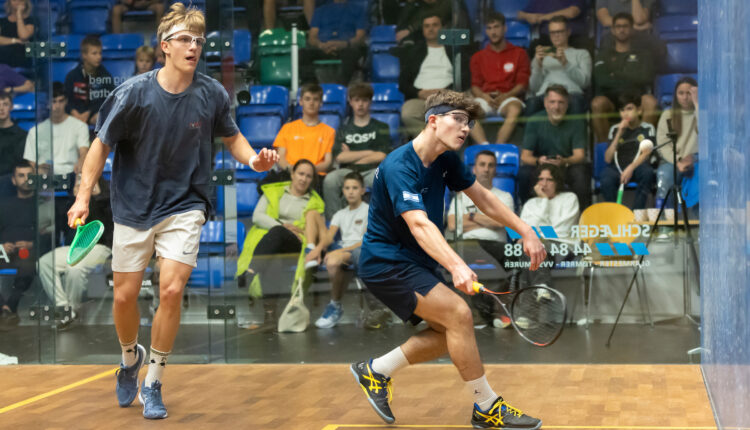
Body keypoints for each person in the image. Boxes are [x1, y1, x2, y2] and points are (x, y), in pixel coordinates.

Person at [66, 3, 278, 420]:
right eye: (185, 39)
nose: (194, 46)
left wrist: (253, 160)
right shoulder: (132, 94)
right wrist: (82, 196)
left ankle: (155, 379)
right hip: (134, 207)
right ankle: (130, 359)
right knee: (125, 295)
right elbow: (100, 147)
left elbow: (232, 138)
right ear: (165, 46)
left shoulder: (212, 93)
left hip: (186, 205)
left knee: (171, 289)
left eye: (199, 40)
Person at [351, 89, 546, 428]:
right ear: (433, 120)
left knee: (451, 334)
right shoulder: (400, 165)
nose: (465, 128)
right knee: (458, 314)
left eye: (468, 122)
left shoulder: (445, 160)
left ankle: (375, 370)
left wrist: (525, 230)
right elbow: (419, 223)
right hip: (386, 263)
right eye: (457, 119)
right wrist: (457, 264)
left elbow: (482, 197)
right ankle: (486, 407)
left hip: (413, 262)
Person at [235, 160, 325, 325]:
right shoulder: (273, 192)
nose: (303, 179)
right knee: (273, 259)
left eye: (308, 176)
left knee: (278, 231)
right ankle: (270, 313)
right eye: (300, 174)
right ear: (292, 174)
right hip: (271, 244)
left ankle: (250, 271)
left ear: (312, 180)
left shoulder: (315, 203)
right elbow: (257, 216)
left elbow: (316, 231)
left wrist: (286, 230)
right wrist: (282, 226)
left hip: (295, 244)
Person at [445, 150, 515, 327]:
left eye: (491, 165)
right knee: (464, 253)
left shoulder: (505, 197)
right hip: (468, 245)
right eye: (482, 165)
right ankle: (487, 312)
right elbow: (453, 225)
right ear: (474, 169)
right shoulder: (461, 196)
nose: (486, 169)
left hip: (496, 246)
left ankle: (484, 313)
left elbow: (502, 223)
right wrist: (489, 219)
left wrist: (472, 217)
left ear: (496, 170)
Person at [39, 176, 113, 331]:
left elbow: (108, 220)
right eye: (78, 180)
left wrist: (95, 196)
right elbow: (61, 226)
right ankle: (64, 309)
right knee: (44, 262)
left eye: (83, 179)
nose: (81, 182)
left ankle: (72, 309)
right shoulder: (69, 202)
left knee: (75, 268)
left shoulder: (106, 201)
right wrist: (76, 198)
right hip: (74, 247)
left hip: (100, 247)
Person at [395, 14, 474, 139]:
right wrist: (419, 93)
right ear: (423, 30)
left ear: (442, 28)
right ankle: (435, 141)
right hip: (421, 99)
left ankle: (435, 142)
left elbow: (465, 78)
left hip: (448, 98)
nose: (431, 29)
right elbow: (403, 83)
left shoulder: (454, 50)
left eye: (435, 25)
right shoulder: (413, 53)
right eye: (427, 26)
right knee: (407, 113)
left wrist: (446, 92)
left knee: (465, 111)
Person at [323, 82, 390, 218]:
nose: (360, 104)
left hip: (371, 171)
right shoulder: (343, 130)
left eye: (364, 100)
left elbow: (382, 155)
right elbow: (340, 157)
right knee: (330, 180)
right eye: (357, 100)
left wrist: (351, 155)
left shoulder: (381, 126)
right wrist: (370, 152)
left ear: (370, 102)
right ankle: (335, 222)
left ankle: (382, 222)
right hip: (347, 172)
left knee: (385, 179)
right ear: (350, 101)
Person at [313, 171, 369, 328]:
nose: (350, 191)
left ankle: (335, 305)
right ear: (343, 191)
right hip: (344, 251)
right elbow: (329, 237)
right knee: (333, 261)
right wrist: (317, 250)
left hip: (361, 250)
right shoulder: (339, 214)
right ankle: (335, 305)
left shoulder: (369, 210)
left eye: (355, 188)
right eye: (347, 188)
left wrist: (340, 252)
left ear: (363, 190)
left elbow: (366, 241)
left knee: (333, 261)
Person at [519, 85, 590, 208]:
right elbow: (525, 156)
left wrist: (564, 161)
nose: (556, 107)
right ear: (545, 103)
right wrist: (538, 160)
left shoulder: (577, 121)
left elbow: (580, 155)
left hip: (566, 165)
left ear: (567, 104)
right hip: (542, 165)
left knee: (581, 174)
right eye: (552, 102)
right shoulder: (534, 121)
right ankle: (528, 213)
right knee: (524, 174)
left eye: (561, 102)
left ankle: (582, 217)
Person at [591, 13, 657, 143]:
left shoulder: (644, 54)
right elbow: (601, 81)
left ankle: (642, 146)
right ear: (612, 30)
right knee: (597, 103)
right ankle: (605, 150)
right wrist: (630, 74)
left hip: (636, 98)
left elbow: (646, 78)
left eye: (625, 26)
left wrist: (616, 73)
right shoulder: (602, 55)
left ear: (632, 29)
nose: (622, 30)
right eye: (618, 26)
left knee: (651, 102)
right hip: (611, 100)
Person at [470, 12, 530, 144]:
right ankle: (484, 147)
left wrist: (505, 95)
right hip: (485, 98)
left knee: (514, 109)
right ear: (486, 31)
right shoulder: (478, 57)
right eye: (489, 28)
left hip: (508, 98)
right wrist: (485, 97)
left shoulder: (519, 53)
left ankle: (498, 147)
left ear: (505, 28)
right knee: (466, 111)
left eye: (496, 27)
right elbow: (475, 85)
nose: (493, 32)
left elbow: (522, 84)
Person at [0, 161, 46, 330]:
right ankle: (4, 307)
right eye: (21, 175)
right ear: (13, 180)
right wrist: (1, 246)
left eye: (29, 175)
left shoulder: (42, 204)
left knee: (28, 265)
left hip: (29, 251)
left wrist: (31, 243)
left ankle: (10, 306)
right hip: (4, 251)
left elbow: (49, 234)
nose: (26, 179)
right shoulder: (3, 205)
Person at [517, 164, 579, 291]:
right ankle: (542, 290)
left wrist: (536, 236)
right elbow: (526, 231)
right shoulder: (530, 204)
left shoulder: (569, 199)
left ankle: (537, 291)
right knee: (528, 248)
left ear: (557, 182)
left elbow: (562, 231)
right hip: (538, 249)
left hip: (563, 248)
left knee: (531, 247)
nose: (544, 184)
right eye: (541, 179)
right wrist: (544, 201)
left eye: (549, 180)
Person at [526, 16, 591, 117]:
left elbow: (585, 83)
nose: (556, 36)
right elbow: (534, 88)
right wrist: (538, 65)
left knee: (576, 102)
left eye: (560, 32)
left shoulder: (581, 54)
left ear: (568, 32)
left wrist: (566, 63)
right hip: (545, 94)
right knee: (532, 103)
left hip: (571, 93)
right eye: (552, 32)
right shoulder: (542, 55)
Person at [600, 91, 655, 209]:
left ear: (639, 110)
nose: (625, 113)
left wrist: (631, 167)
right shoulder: (615, 129)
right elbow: (608, 158)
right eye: (622, 110)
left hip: (638, 166)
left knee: (648, 173)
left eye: (629, 109)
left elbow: (646, 153)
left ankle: (636, 214)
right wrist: (619, 133)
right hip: (617, 167)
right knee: (606, 178)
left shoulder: (647, 128)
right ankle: (614, 214)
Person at [23, 82, 90, 176]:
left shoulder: (80, 126)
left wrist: (81, 161)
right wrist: (38, 169)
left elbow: (84, 152)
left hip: (72, 176)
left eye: (61, 101)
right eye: (53, 101)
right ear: (47, 103)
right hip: (44, 178)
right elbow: (31, 163)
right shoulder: (35, 131)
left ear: (66, 101)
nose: (57, 106)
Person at [273, 83, 335, 176]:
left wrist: (306, 172)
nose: (311, 103)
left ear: (321, 103)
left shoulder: (329, 132)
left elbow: (328, 162)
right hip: (290, 174)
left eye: (316, 99)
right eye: (307, 99)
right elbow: (280, 157)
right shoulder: (287, 128)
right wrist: (293, 171)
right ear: (301, 101)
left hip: (316, 176)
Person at [655, 77, 698, 208]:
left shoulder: (702, 113)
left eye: (689, 93)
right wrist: (678, 161)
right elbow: (662, 145)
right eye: (681, 93)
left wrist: (697, 104)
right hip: (673, 161)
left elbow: (707, 135)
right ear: (676, 95)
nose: (685, 97)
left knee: (700, 180)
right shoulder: (668, 115)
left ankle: (697, 221)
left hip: (697, 160)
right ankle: (665, 222)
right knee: (665, 176)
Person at [301, 0, 367, 84]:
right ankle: (312, 87)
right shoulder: (320, 11)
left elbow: (360, 36)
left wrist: (344, 44)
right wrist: (320, 45)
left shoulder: (359, 10)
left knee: (352, 53)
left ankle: (340, 87)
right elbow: (312, 37)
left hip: (346, 48)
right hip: (323, 47)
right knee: (302, 54)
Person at [64, 35, 116, 127]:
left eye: (100, 53)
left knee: (103, 117)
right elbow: (66, 99)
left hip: (95, 115)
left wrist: (90, 112)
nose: (99, 57)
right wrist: (74, 112)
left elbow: (109, 99)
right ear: (84, 55)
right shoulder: (72, 76)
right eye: (94, 53)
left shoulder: (105, 75)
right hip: (74, 116)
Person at [0, 92, 27, 197]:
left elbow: (20, 166)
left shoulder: (22, 135)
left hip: (12, 187)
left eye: (5, 104)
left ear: (11, 107)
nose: (1, 108)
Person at [0, 0, 37, 68]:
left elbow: (23, 36)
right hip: (3, 59)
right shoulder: (2, 21)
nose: (17, 2)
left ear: (25, 3)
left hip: (21, 59)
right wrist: (15, 41)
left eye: (20, 0)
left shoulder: (31, 20)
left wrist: (19, 14)